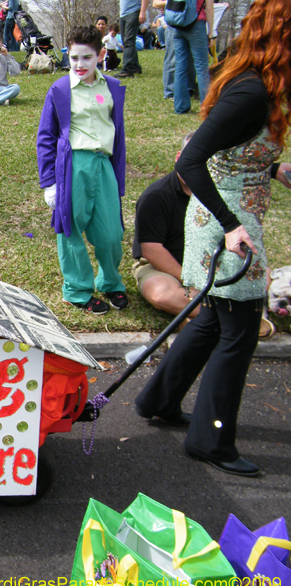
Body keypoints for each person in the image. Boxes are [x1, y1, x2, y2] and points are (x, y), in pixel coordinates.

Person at [133, 0, 291, 477]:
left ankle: (158, 400)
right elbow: (190, 161)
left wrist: (275, 169)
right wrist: (231, 224)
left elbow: (231, 155)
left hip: (224, 222)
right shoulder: (250, 93)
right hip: (225, 228)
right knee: (239, 331)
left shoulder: (252, 84)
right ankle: (210, 439)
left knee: (212, 322)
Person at [37, 25, 128, 315]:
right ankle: (77, 290)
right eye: (74, 57)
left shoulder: (112, 87)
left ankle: (110, 280)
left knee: (111, 231)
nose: (80, 65)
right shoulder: (60, 89)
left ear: (100, 55)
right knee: (70, 229)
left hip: (103, 165)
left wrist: (118, 174)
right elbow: (46, 137)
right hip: (73, 165)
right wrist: (49, 182)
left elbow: (118, 133)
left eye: (87, 58)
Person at [132, 133, 198, 319]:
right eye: (189, 158)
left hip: (209, 267)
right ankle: (227, 315)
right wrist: (191, 282)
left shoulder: (219, 193)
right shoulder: (155, 196)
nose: (194, 165)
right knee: (162, 294)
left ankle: (200, 313)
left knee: (262, 275)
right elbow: (152, 251)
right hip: (162, 268)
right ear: (178, 157)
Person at [171, 0, 213, 114]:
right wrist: (210, 33)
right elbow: (209, 8)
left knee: (180, 67)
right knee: (202, 67)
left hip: (178, 23)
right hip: (197, 24)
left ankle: (180, 107)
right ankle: (206, 107)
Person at [117, 0, 149, 77]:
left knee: (129, 41)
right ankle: (135, 67)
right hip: (123, 14)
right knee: (126, 42)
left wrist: (142, 11)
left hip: (133, 12)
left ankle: (127, 70)